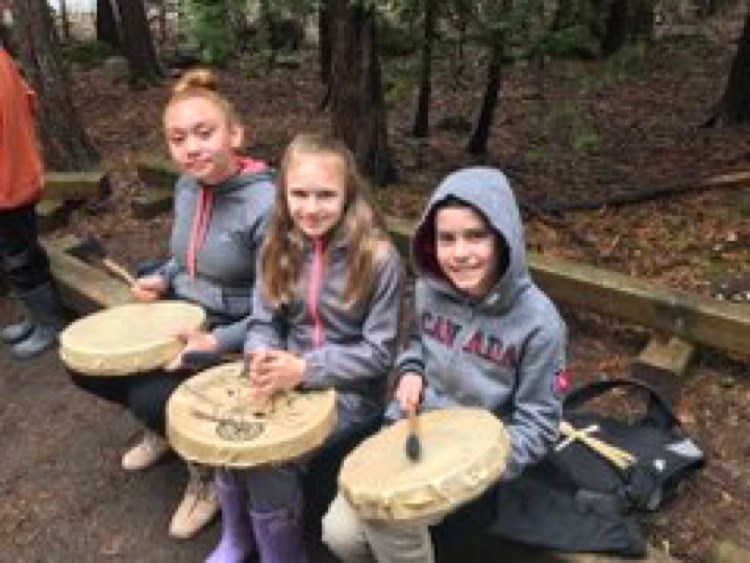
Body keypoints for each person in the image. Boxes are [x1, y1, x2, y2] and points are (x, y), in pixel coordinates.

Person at [68, 68, 276, 540]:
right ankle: (165, 429)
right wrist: (161, 279)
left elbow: (273, 311)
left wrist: (214, 339)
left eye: (205, 133)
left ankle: (204, 473)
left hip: (236, 331)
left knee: (148, 392)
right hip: (183, 310)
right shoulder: (186, 186)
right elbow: (182, 259)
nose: (192, 148)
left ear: (236, 134)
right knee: (86, 366)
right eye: (178, 138)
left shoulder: (267, 205)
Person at [321, 167, 569, 563]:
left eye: (476, 236)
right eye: (447, 238)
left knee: (394, 525)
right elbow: (415, 344)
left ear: (504, 238)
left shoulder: (539, 323)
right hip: (409, 432)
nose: (460, 253)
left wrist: (482, 463)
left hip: (473, 459)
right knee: (339, 534)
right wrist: (411, 371)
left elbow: (539, 425)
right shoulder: (428, 290)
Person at [205, 132, 403, 563]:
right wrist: (261, 354)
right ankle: (237, 539)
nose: (311, 208)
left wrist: (305, 369)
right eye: (299, 194)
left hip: (349, 394)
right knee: (227, 427)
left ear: (348, 194)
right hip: (284, 375)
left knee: (267, 458)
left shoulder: (378, 258)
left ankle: (284, 554)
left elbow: (380, 354)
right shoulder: (275, 246)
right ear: (283, 194)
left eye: (325, 195)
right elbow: (263, 321)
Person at [0, 31, 68, 359]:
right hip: (15, 176)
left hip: (9, 184)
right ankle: (36, 317)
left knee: (20, 258)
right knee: (22, 253)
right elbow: (30, 99)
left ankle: (49, 323)